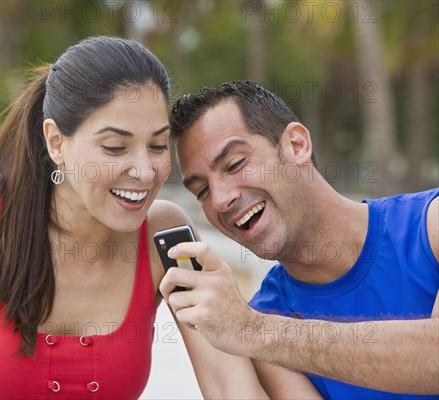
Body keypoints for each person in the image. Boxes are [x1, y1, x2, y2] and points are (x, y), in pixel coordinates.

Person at [0, 39, 268, 399]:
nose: (144, 171)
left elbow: (227, 379)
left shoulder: (166, 235)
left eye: (157, 146)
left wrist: (234, 316)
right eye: (115, 148)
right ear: (56, 142)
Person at [159, 81, 439, 399]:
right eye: (202, 191)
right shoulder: (264, 321)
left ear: (296, 145)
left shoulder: (430, 224)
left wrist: (253, 330)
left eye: (235, 164)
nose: (220, 200)